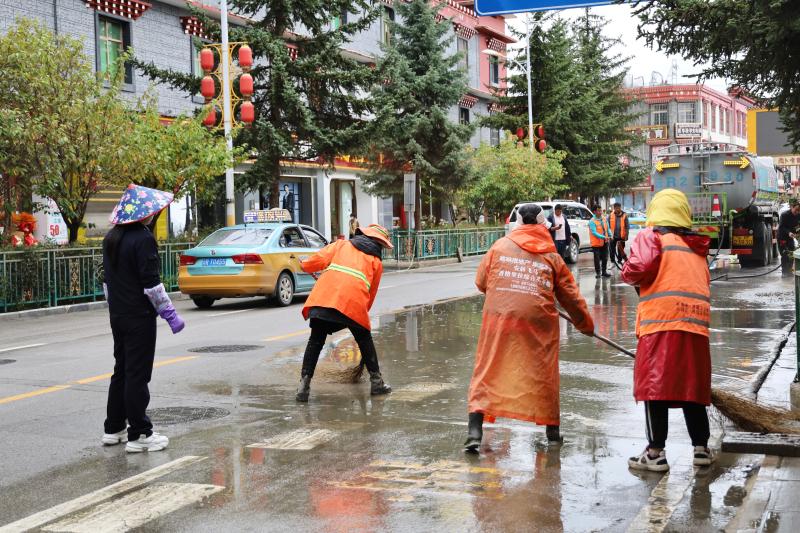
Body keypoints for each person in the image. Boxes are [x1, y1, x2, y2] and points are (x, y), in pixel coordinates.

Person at [465, 203, 594, 452]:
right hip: (537, 323)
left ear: (519, 224)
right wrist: (585, 325)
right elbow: (571, 297)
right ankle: (552, 433)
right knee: (543, 372)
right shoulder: (552, 256)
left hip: (499, 319)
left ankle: (474, 430)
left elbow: (481, 282)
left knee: (488, 368)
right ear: (542, 225)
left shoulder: (499, 247)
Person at [621, 188, 714, 472]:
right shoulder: (696, 245)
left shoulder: (652, 237)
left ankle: (655, 453)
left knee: (655, 388)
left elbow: (636, 270)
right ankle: (701, 449)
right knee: (691, 388)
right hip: (696, 325)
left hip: (661, 323)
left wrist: (626, 268)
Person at [101, 184, 185, 453]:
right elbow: (152, 285)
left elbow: (107, 282)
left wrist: (116, 307)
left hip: (118, 315)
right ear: (143, 213)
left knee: (122, 370)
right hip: (139, 317)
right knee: (137, 374)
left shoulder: (111, 237)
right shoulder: (143, 238)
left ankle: (114, 428)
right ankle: (140, 434)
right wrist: (170, 315)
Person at [295, 224, 394, 402]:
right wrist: (361, 316)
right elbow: (370, 294)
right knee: (364, 338)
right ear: (379, 245)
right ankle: (377, 383)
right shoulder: (376, 262)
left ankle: (303, 387)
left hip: (323, 298)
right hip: (353, 304)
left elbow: (317, 260)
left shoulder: (341, 245)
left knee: (315, 340)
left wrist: (304, 265)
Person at [778, 199, 800, 273]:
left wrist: (797, 233)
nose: (797, 212)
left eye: (799, 211)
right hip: (782, 237)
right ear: (792, 207)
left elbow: (798, 226)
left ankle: (789, 271)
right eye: (796, 210)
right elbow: (781, 227)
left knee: (791, 253)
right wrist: (789, 233)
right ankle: (784, 273)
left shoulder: (798, 215)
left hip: (791, 237)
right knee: (784, 254)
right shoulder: (784, 215)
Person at [589, 205, 611, 278]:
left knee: (605, 257)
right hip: (596, 243)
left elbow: (607, 228)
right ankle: (598, 272)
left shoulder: (604, 219)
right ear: (594, 212)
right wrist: (604, 237)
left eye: (600, 210)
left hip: (605, 241)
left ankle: (604, 272)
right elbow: (594, 232)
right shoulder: (592, 221)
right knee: (597, 259)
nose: (600, 212)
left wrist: (610, 235)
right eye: (598, 211)